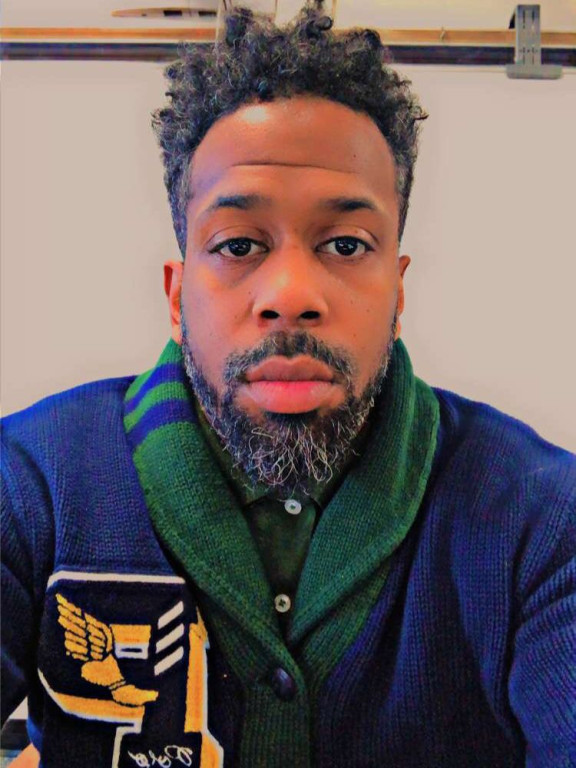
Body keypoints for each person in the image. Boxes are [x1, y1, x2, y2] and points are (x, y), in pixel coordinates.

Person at [1, 2, 575, 767]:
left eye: (347, 244)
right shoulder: (29, 483)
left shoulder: (543, 518)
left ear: (399, 291)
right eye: (239, 245)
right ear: (176, 294)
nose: (292, 294)